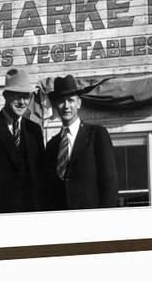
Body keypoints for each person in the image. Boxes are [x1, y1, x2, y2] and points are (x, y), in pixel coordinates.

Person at [43, 75, 119, 210]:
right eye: (61, 101)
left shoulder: (97, 135)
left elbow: (110, 185)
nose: (66, 106)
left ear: (79, 103)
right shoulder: (52, 145)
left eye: (71, 100)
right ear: (56, 105)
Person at [0, 68, 46, 213]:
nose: (22, 102)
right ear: (5, 95)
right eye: (17, 96)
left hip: (31, 213)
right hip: (1, 213)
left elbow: (41, 175)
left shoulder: (34, 130)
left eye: (26, 96)